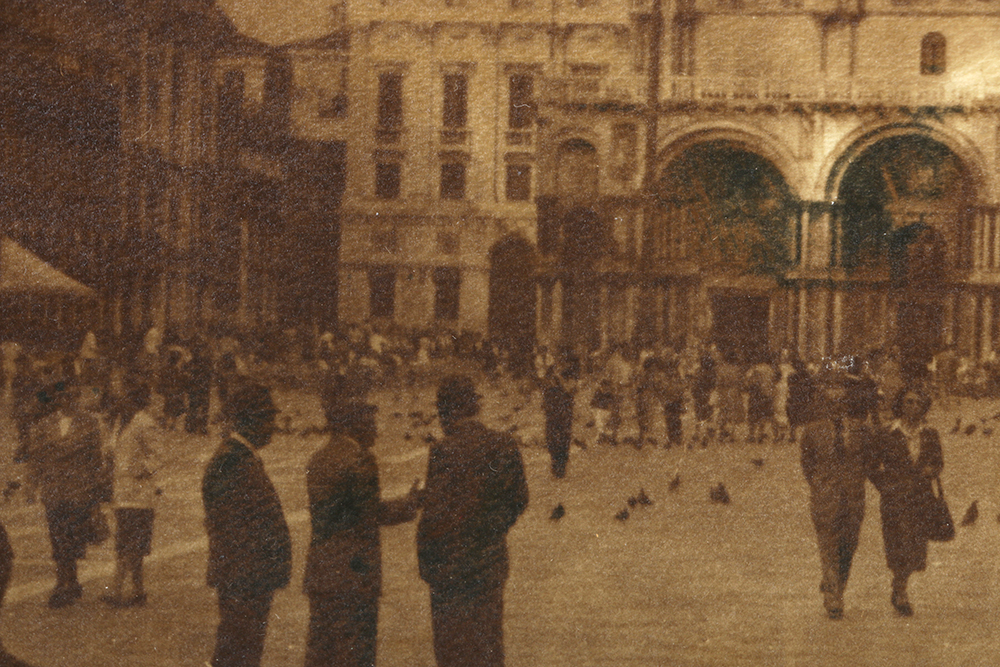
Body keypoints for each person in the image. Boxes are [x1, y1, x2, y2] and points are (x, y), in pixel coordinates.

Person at [417, 376, 529, 667]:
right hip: (491, 563)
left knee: (453, 650)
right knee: (489, 645)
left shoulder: (444, 451)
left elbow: (434, 517)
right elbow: (519, 499)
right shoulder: (505, 444)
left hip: (451, 570)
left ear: (448, 411)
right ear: (474, 406)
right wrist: (494, 529)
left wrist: (428, 567)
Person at [304, 399, 419, 667]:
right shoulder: (361, 459)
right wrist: (410, 503)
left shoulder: (318, 458)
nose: (376, 430)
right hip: (354, 576)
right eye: (370, 422)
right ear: (354, 425)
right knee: (354, 654)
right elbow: (370, 513)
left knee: (321, 652)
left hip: (321, 573)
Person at [202, 383, 291, 667]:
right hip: (243, 575)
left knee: (244, 648)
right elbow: (233, 526)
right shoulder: (231, 460)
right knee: (237, 649)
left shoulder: (240, 456)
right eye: (267, 418)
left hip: (249, 574)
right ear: (249, 419)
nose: (272, 426)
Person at [864, 388, 943, 617]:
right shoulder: (886, 433)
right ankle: (900, 591)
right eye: (908, 402)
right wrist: (885, 487)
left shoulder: (930, 434)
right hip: (895, 498)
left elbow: (939, 462)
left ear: (924, 407)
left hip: (920, 498)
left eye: (918, 403)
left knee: (915, 547)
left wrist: (932, 469)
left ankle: (900, 584)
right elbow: (871, 465)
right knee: (899, 542)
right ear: (901, 405)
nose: (913, 407)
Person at [27, 380, 104, 608]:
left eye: (73, 396)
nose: (69, 400)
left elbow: (95, 459)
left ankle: (65, 582)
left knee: (71, 537)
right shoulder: (44, 424)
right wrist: (31, 486)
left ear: (78, 398)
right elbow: (36, 457)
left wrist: (95, 490)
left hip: (79, 490)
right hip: (53, 490)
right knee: (57, 534)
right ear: (58, 399)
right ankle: (68, 580)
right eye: (64, 396)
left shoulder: (89, 422)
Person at [799, 372, 867, 620]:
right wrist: (819, 485)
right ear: (824, 403)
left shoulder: (861, 429)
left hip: (854, 497)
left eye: (841, 402)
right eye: (831, 403)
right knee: (828, 544)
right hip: (825, 497)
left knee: (849, 545)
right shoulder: (812, 431)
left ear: (847, 403)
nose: (836, 407)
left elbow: (867, 461)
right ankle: (833, 596)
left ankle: (836, 584)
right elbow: (807, 463)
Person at [102, 384, 162, 608]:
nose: (119, 401)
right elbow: (113, 451)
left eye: (124, 397)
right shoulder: (118, 423)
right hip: (121, 492)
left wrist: (139, 470)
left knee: (128, 543)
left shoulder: (145, 423)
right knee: (129, 542)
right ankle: (138, 590)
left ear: (134, 400)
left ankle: (116, 590)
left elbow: (157, 456)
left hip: (139, 494)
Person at [542, 355, 579, 479]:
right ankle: (555, 463)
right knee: (552, 440)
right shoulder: (550, 376)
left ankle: (561, 466)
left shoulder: (569, 375)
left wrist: (560, 380)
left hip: (564, 413)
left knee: (564, 439)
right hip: (552, 413)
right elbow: (544, 394)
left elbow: (571, 391)